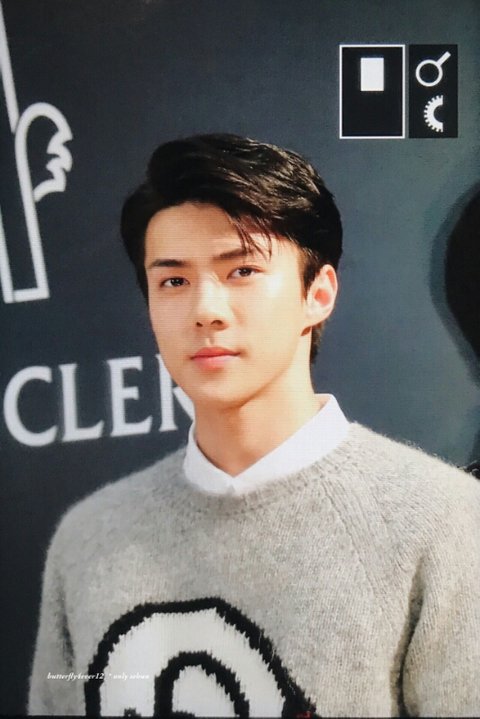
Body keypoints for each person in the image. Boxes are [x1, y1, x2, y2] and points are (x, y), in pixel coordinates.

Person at [29, 134, 480, 717]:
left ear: (318, 294)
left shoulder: (443, 522)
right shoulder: (88, 541)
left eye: (241, 270)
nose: (205, 310)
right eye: (173, 281)